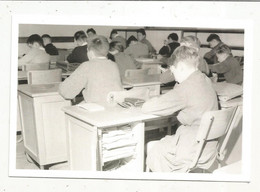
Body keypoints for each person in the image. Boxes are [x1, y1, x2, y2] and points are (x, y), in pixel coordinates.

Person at [142, 46, 219, 172]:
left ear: (182, 67)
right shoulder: (205, 79)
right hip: (209, 145)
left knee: (154, 149)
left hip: (191, 148)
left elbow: (147, 108)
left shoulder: (185, 88)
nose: (172, 74)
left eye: (173, 69)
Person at [59, 35, 123, 105]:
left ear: (91, 52)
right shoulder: (114, 65)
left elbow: (66, 92)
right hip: (114, 106)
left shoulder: (86, 66)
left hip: (95, 111)